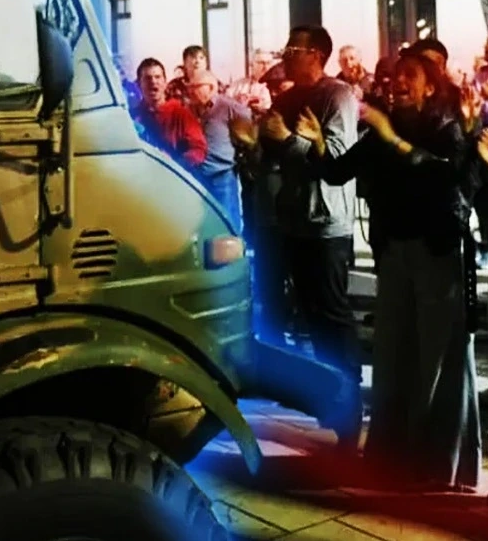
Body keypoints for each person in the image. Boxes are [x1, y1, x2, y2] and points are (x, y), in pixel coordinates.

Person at [295, 51, 482, 489]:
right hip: (394, 250)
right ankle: (393, 455)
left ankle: (438, 464)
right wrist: (314, 142)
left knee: (438, 356)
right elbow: (339, 172)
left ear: (429, 86)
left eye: (408, 77)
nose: (396, 84)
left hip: (437, 249)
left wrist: (392, 137)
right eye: (392, 77)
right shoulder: (380, 129)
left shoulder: (445, 125)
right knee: (395, 353)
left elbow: (448, 175)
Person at [235, 25, 362, 445]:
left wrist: (288, 140)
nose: (286, 55)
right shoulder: (288, 99)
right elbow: (266, 161)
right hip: (289, 222)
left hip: (325, 223)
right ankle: (321, 401)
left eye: (294, 48)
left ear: (317, 55)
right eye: (286, 47)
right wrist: (249, 145)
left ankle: (349, 407)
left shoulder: (337, 96)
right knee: (303, 315)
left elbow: (338, 160)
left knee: (331, 317)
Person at [185, 68, 250, 224]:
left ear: (212, 88)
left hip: (222, 176)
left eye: (196, 87)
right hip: (198, 177)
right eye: (190, 87)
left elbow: (249, 125)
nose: (191, 91)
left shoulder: (228, 106)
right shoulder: (189, 109)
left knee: (227, 224)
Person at [132, 58, 206, 171]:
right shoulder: (132, 116)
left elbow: (199, 149)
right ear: (138, 84)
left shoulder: (181, 114)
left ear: (165, 83)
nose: (153, 82)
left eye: (158, 77)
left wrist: (174, 165)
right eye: (147, 78)